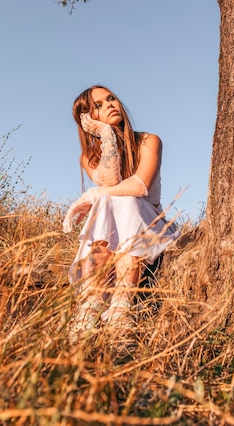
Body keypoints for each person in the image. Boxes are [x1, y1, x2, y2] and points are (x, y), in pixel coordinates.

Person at [63, 85, 179, 342]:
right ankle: (91, 307)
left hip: (150, 222)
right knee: (109, 201)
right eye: (99, 106)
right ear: (87, 120)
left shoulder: (149, 141)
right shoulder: (89, 157)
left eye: (111, 98)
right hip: (115, 229)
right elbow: (110, 180)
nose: (110, 105)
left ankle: (121, 307)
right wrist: (106, 134)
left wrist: (92, 195)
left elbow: (140, 186)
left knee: (119, 200)